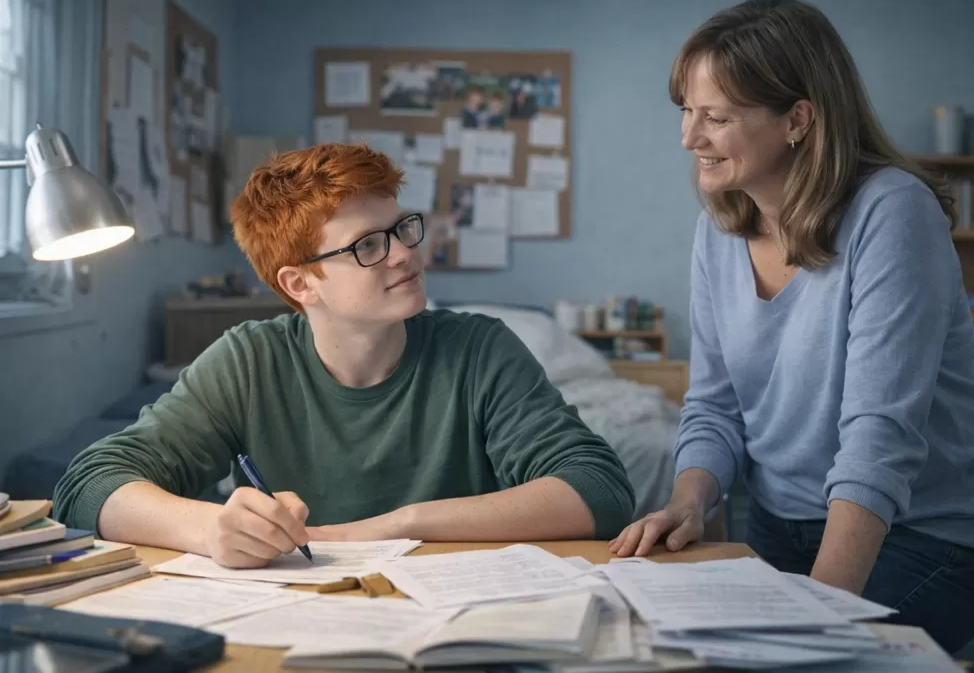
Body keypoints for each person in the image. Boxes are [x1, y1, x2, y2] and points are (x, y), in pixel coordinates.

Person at [609, 0, 974, 655]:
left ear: (797, 118)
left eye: (715, 117)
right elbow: (715, 406)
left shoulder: (892, 213)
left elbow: (878, 436)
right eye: (687, 111)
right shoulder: (717, 230)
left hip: (929, 534)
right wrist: (690, 497)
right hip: (781, 522)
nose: (689, 138)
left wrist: (818, 621)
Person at [53, 142, 635, 570]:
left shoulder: (480, 348)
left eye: (403, 229)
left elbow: (599, 489)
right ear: (301, 284)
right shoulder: (249, 361)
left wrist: (397, 524)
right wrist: (210, 527)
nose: (404, 255)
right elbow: (86, 484)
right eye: (368, 246)